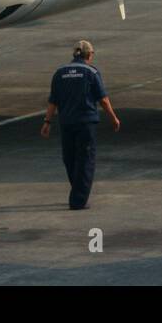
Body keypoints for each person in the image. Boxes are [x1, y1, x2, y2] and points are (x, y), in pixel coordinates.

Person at [40, 39, 121, 211]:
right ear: (89, 55)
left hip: (67, 123)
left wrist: (47, 121)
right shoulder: (91, 72)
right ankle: (78, 201)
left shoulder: (60, 72)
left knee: (69, 158)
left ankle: (77, 191)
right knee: (85, 160)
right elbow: (103, 100)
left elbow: (53, 101)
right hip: (85, 123)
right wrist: (113, 118)